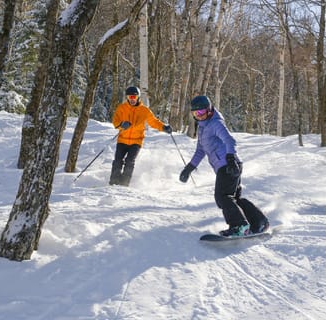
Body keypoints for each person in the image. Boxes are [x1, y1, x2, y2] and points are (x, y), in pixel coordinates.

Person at [179, 95, 269, 237]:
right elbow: (200, 150)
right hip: (228, 165)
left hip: (228, 165)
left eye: (201, 113)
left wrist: (231, 158)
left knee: (223, 197)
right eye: (196, 114)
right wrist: (189, 168)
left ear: (209, 110)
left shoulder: (215, 123)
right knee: (234, 199)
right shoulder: (202, 127)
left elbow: (230, 140)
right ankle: (259, 221)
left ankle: (239, 225)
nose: (199, 116)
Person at [109, 86, 172, 186]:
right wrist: (121, 124)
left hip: (136, 142)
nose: (132, 99)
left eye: (134, 97)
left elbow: (154, 122)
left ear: (138, 97)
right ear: (127, 98)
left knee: (129, 161)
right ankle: (114, 182)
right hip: (122, 140)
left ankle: (124, 183)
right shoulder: (122, 108)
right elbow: (115, 121)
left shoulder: (144, 110)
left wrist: (164, 127)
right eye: (130, 97)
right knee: (118, 161)